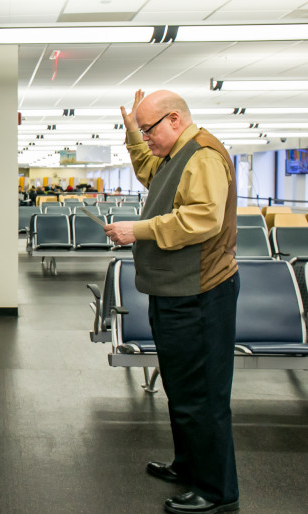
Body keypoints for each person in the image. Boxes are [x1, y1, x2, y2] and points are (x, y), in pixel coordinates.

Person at [104, 89, 239, 514]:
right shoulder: (173, 156)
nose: (146, 140)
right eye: (141, 131)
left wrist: (137, 230)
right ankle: (188, 465)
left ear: (175, 120)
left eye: (149, 130)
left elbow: (203, 217)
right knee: (180, 388)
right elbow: (148, 169)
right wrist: (131, 134)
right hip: (176, 290)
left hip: (200, 292)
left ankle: (216, 491)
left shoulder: (202, 156)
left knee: (201, 395)